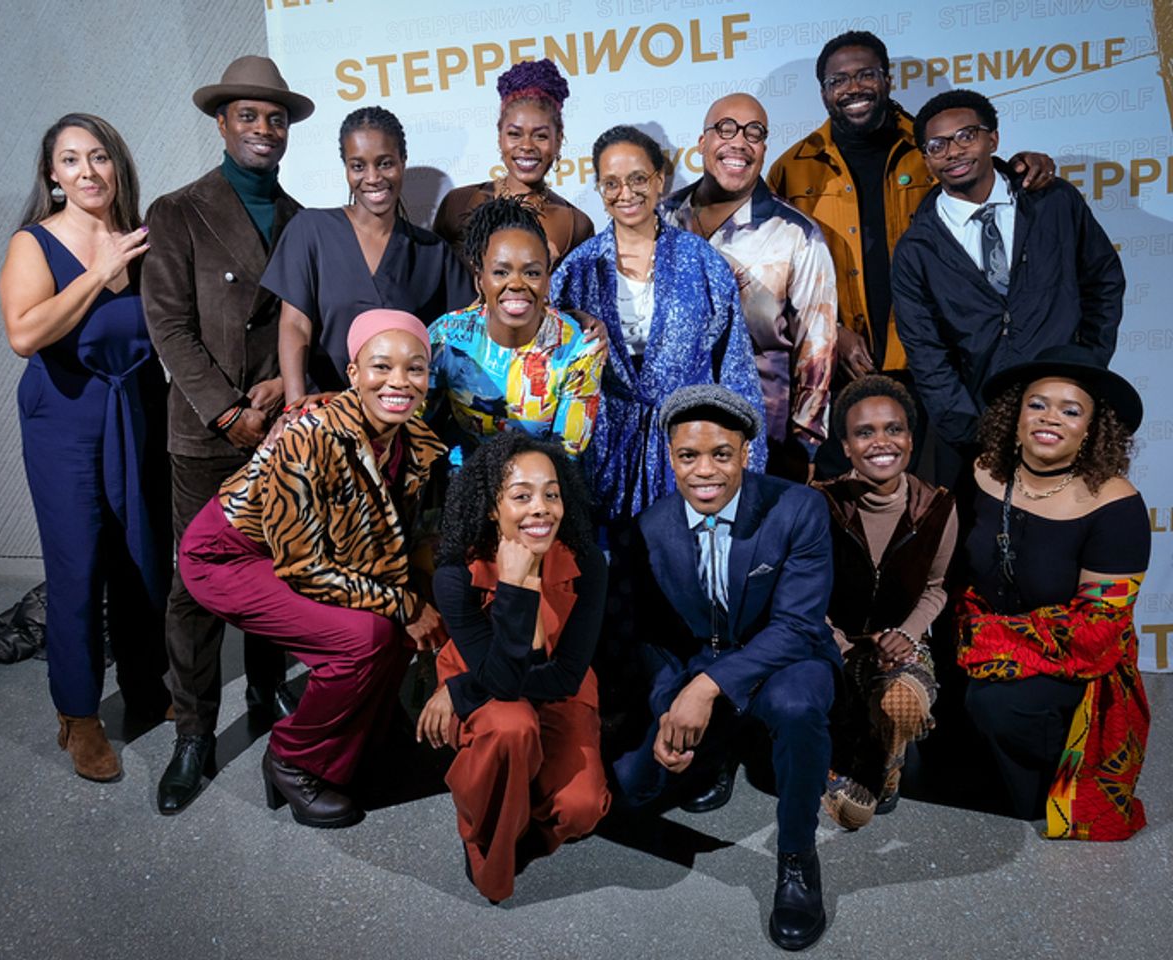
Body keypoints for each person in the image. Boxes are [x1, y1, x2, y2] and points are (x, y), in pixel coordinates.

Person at [178, 310, 449, 828]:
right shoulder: (312, 433)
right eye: (381, 366)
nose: (399, 381)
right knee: (362, 638)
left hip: (303, 556)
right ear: (352, 374)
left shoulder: (410, 437)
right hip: (229, 555)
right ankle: (292, 760)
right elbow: (303, 566)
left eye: (415, 369)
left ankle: (360, 747)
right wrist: (404, 603)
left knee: (388, 631)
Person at [142, 56, 314, 814]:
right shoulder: (177, 211)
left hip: (277, 427)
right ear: (222, 124)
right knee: (195, 587)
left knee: (275, 574)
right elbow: (170, 329)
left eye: (274, 118)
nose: (263, 129)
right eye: (249, 116)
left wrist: (279, 389)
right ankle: (193, 732)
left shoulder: (306, 218)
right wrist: (227, 410)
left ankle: (272, 693)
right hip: (207, 433)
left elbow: (305, 324)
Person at [612, 385, 839, 952]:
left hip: (786, 660)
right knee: (629, 794)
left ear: (746, 453)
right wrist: (670, 704)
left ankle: (796, 858)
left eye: (721, 454)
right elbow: (652, 637)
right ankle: (723, 752)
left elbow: (798, 627)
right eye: (689, 456)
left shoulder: (798, 509)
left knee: (796, 704)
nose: (704, 470)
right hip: (699, 668)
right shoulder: (649, 527)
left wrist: (706, 689)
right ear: (670, 457)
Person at [768, 31, 1056, 478]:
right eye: (838, 80)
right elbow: (779, 276)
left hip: (939, 360)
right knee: (848, 507)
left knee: (942, 499)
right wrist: (833, 331)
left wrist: (1024, 164)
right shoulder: (791, 168)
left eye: (866, 74)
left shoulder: (932, 149)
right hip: (843, 369)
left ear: (887, 79)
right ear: (823, 91)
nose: (853, 88)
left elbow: (988, 191)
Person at [0, 113, 171, 781]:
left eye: (98, 157)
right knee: (78, 567)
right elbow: (25, 333)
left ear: (116, 165)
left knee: (142, 556)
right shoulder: (34, 243)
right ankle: (79, 717)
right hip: (64, 416)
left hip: (136, 408)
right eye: (71, 160)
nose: (88, 171)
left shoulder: (141, 238)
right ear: (53, 175)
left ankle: (146, 689)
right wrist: (97, 272)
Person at [957, 345, 1150, 841]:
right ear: (1015, 415)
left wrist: (989, 640)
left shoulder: (1116, 505)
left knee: (999, 704)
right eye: (1037, 404)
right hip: (979, 632)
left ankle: (1036, 795)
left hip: (1075, 661)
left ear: (1091, 429)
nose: (1050, 418)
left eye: (1071, 410)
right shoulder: (981, 472)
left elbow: (1097, 630)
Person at [891, 89, 1124, 488]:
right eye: (938, 145)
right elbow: (926, 353)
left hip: (1066, 417)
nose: (954, 151)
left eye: (967, 135)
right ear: (927, 159)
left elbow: (1103, 281)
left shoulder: (1053, 201)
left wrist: (1086, 366)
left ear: (993, 139)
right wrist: (972, 432)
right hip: (977, 430)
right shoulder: (915, 249)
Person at [416, 431, 610, 903]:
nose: (540, 508)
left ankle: (517, 819)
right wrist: (516, 586)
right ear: (490, 507)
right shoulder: (456, 575)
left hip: (548, 688)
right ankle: (484, 835)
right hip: (494, 687)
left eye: (551, 494)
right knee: (511, 728)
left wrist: (459, 691)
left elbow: (564, 676)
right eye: (521, 496)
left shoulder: (588, 563)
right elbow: (502, 682)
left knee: (582, 808)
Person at [551, 125, 766, 519]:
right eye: (611, 183)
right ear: (599, 189)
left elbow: (735, 372)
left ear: (660, 180)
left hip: (688, 451)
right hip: (602, 453)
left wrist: (749, 468)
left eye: (638, 179)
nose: (626, 193)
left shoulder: (702, 263)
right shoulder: (576, 271)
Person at [660, 95, 837, 481]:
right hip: (670, 435)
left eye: (753, 133)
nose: (739, 142)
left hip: (761, 437)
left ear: (763, 148)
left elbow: (816, 350)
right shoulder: (661, 219)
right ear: (702, 142)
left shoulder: (796, 234)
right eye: (725, 129)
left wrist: (804, 443)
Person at [812, 376, 956, 829]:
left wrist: (907, 634)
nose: (881, 442)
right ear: (847, 446)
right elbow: (802, 593)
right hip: (831, 641)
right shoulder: (820, 504)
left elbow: (937, 586)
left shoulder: (937, 507)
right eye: (864, 432)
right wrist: (838, 641)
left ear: (911, 439)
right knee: (831, 707)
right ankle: (852, 763)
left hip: (899, 644)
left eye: (894, 429)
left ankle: (888, 764)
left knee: (901, 702)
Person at [265, 106, 473, 403]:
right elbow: (295, 325)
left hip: (403, 423)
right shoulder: (310, 230)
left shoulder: (432, 253)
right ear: (346, 168)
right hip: (325, 414)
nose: (373, 177)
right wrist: (296, 406)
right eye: (358, 166)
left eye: (385, 163)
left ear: (403, 161)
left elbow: (460, 339)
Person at [427, 197, 604, 471]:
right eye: (501, 272)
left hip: (540, 486)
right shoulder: (447, 336)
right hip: (462, 482)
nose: (517, 284)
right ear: (480, 279)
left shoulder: (579, 347)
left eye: (532, 273)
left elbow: (567, 453)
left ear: (547, 280)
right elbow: (412, 421)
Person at [433, 58, 593, 267]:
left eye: (541, 136)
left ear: (558, 140)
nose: (527, 146)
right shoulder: (459, 203)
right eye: (515, 134)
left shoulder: (576, 225)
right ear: (500, 137)